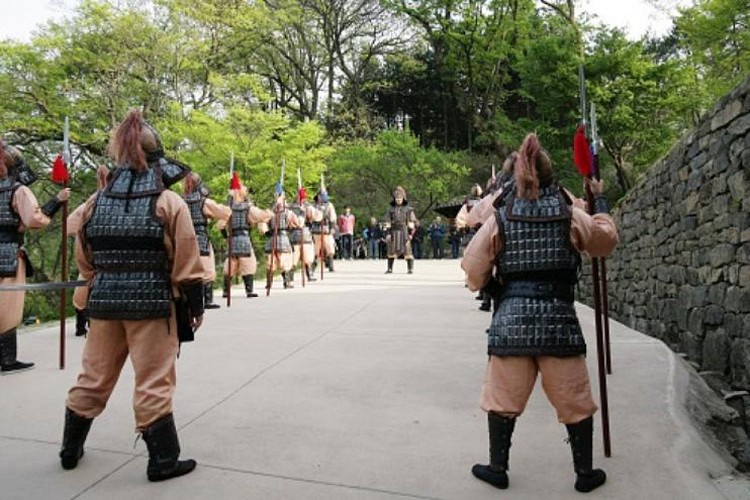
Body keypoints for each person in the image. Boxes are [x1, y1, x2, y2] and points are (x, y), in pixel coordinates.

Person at [461, 133, 618, 493]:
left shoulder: (501, 216)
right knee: (574, 400)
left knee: (502, 399)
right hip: (559, 322)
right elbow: (604, 241)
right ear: (552, 177)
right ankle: (584, 473)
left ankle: (497, 467)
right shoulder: (570, 215)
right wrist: (601, 202)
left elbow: (472, 265)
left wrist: (484, 284)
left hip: (511, 320)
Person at [60, 110, 204, 482]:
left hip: (104, 304)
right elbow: (188, 260)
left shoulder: (95, 202)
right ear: (156, 158)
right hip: (153, 307)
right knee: (154, 379)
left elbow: (84, 258)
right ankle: (163, 461)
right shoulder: (168, 202)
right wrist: (195, 305)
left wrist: (98, 283)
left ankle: (70, 448)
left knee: (93, 377)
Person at [0, 141, 70, 374]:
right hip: (8, 252)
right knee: (8, 307)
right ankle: (7, 360)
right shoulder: (18, 190)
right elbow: (34, 219)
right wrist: (57, 201)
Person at [183, 172, 231, 309]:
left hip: (184, 238)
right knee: (207, 270)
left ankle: (189, 301)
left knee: (188, 271)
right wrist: (229, 202)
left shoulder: (179, 200)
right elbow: (225, 213)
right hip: (200, 237)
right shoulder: (204, 202)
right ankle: (207, 300)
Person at [220, 182, 269, 298]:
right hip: (244, 238)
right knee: (248, 264)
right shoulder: (249, 207)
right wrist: (269, 213)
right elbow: (260, 216)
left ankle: (226, 291)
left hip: (232, 238)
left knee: (231, 264)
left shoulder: (228, 208)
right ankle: (249, 291)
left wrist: (226, 237)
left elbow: (221, 225)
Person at [264, 189, 301, 289]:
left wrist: (266, 232)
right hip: (283, 238)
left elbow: (263, 224)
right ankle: (286, 282)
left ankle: (269, 283)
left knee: (271, 262)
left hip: (272, 238)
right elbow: (297, 223)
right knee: (285, 261)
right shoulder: (288, 212)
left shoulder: (270, 211)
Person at [290, 187, 321, 283]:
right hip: (305, 232)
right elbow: (317, 217)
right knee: (305, 257)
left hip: (295, 234)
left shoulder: (290, 207)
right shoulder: (307, 207)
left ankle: (290, 278)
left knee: (297, 257)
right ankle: (308, 275)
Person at [384, 186, 416, 274]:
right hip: (393, 231)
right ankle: (390, 268)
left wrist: (410, 233)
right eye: (397, 198)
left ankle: (410, 269)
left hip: (404, 231)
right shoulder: (390, 209)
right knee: (391, 250)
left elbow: (411, 221)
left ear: (403, 198)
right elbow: (386, 222)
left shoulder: (408, 209)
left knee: (407, 249)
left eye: (400, 198)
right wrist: (387, 233)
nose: (398, 199)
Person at [311, 191, 336, 272]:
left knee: (329, 247)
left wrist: (332, 227)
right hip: (316, 229)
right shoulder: (313, 206)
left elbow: (333, 216)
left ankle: (330, 264)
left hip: (326, 228)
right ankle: (313, 265)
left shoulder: (329, 205)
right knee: (315, 248)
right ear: (318, 196)